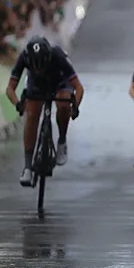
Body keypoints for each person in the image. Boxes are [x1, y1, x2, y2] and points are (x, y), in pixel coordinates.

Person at [6, 36, 85, 187]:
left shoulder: (58, 56)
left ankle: (62, 139)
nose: (38, 69)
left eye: (41, 66)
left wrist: (75, 107)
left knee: (63, 104)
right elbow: (10, 89)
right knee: (32, 114)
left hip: (60, 82)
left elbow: (79, 88)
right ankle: (28, 167)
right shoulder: (24, 57)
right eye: (35, 67)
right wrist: (18, 104)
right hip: (37, 84)